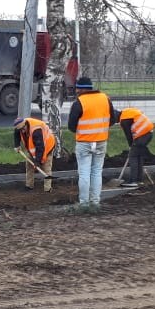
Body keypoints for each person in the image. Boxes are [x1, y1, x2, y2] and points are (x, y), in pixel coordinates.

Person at [67, 76, 119, 211]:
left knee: (84, 173)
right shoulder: (105, 98)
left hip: (84, 142)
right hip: (101, 141)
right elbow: (113, 120)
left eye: (77, 89)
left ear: (81, 89)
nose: (76, 91)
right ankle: (95, 203)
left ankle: (84, 204)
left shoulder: (79, 102)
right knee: (96, 172)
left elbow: (71, 126)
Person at [12, 116, 57, 191]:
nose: (22, 131)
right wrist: (17, 145)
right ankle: (29, 186)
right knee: (29, 165)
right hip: (33, 147)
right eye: (20, 130)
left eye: (23, 129)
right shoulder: (19, 127)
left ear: (25, 125)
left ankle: (48, 189)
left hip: (47, 145)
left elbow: (40, 148)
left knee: (46, 167)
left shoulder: (36, 131)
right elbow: (16, 133)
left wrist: (37, 162)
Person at [116, 107, 155, 188]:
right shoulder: (126, 113)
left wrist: (131, 145)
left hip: (143, 135)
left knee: (133, 156)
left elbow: (128, 135)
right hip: (148, 133)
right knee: (139, 156)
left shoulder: (124, 120)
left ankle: (133, 181)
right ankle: (139, 180)